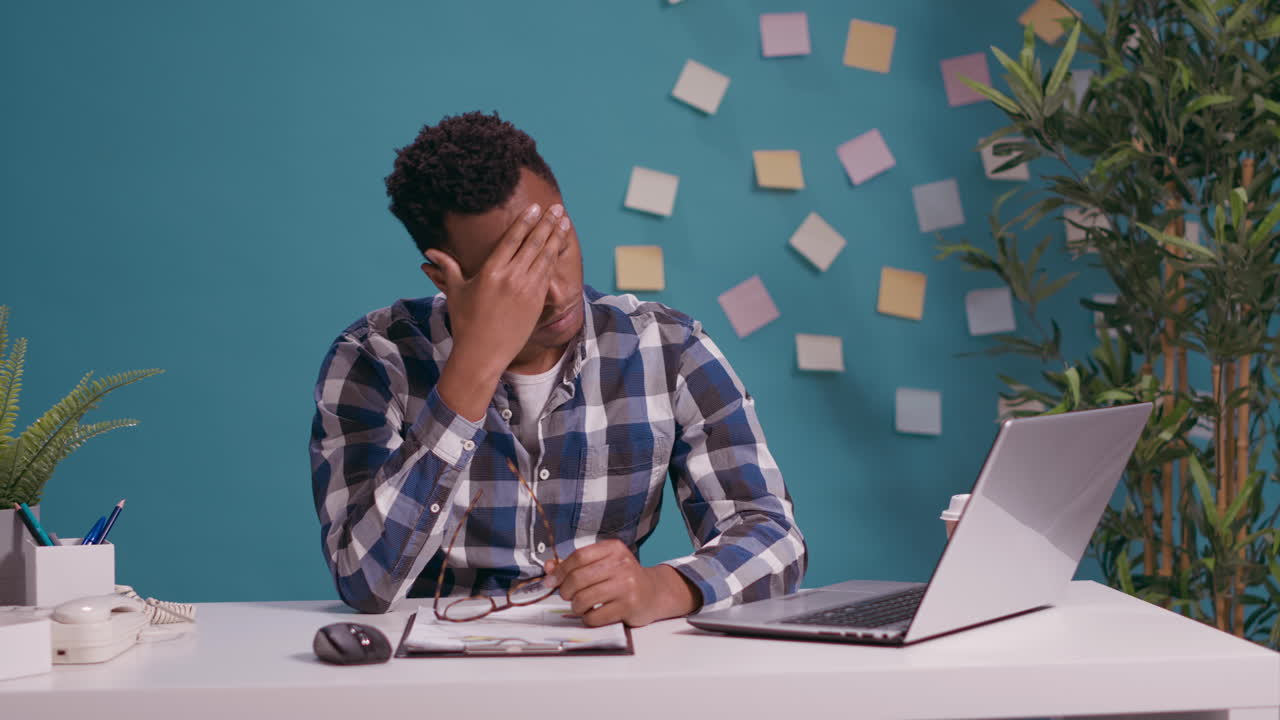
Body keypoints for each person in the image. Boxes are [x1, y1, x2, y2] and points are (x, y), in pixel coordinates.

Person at [309, 111, 806, 624]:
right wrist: (473, 367)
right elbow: (364, 582)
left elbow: (773, 535)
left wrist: (661, 588)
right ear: (443, 278)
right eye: (514, 271)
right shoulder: (373, 359)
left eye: (556, 245)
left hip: (608, 669)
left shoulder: (669, 349)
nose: (555, 291)